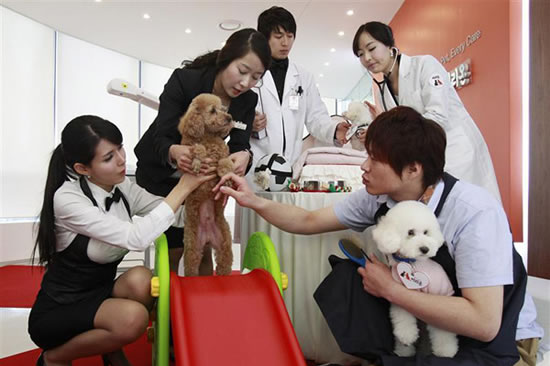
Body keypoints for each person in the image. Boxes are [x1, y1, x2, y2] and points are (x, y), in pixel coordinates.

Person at [213, 106, 543, 366]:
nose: (363, 166)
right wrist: (253, 200)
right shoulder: (380, 198)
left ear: (413, 169)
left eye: (374, 158)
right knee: (346, 284)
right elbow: (308, 220)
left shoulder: (473, 213)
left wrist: (392, 290)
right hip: (426, 322)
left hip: (497, 340)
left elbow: (484, 323)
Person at [29, 115, 214, 366]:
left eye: (120, 148)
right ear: (82, 168)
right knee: (134, 319)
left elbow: (169, 214)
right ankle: (54, 359)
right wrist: (183, 187)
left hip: (101, 293)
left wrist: (209, 201)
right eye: (108, 157)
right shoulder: (67, 199)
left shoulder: (122, 187)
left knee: (143, 279)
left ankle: (111, 348)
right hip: (61, 307)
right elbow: (136, 237)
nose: (121, 160)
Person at [134, 28, 271, 272]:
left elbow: (240, 144)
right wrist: (175, 152)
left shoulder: (247, 100)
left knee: (205, 243)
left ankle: (206, 294)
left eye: (255, 77)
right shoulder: (186, 80)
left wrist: (244, 156)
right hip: (162, 174)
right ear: (226, 59)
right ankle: (168, 296)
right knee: (176, 249)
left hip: (203, 180)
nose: (245, 83)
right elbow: (161, 135)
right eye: (242, 71)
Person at [352, 21, 502, 202]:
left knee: (471, 206)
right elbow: (397, 129)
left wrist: (393, 134)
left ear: (390, 45)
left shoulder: (424, 65)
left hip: (456, 151)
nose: (367, 58)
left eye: (371, 48)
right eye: (360, 54)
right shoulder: (382, 90)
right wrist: (377, 134)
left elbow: (437, 116)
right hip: (426, 160)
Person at [249, 6, 350, 189]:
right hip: (256, 165)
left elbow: (316, 118)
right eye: (278, 36)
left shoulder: (303, 77)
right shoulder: (249, 72)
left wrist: (335, 130)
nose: (285, 43)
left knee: (285, 208)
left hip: (290, 168)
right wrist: (248, 122)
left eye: (290, 36)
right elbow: (231, 115)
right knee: (254, 206)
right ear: (263, 38)